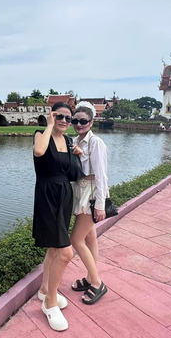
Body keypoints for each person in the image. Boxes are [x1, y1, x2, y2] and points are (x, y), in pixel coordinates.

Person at [33, 102, 75, 332]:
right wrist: (49, 125)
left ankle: (43, 290)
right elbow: (39, 151)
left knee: (53, 248)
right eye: (60, 116)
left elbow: (70, 172)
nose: (65, 121)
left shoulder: (68, 142)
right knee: (65, 252)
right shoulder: (41, 134)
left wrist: (77, 153)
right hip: (47, 195)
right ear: (52, 115)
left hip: (64, 196)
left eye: (69, 118)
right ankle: (49, 303)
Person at [69, 101, 109, 305]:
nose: (78, 124)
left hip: (91, 193)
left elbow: (101, 175)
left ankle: (97, 283)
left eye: (83, 121)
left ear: (91, 122)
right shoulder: (77, 141)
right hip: (81, 189)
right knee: (91, 239)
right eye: (75, 120)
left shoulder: (96, 143)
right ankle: (89, 277)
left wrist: (100, 203)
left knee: (76, 240)